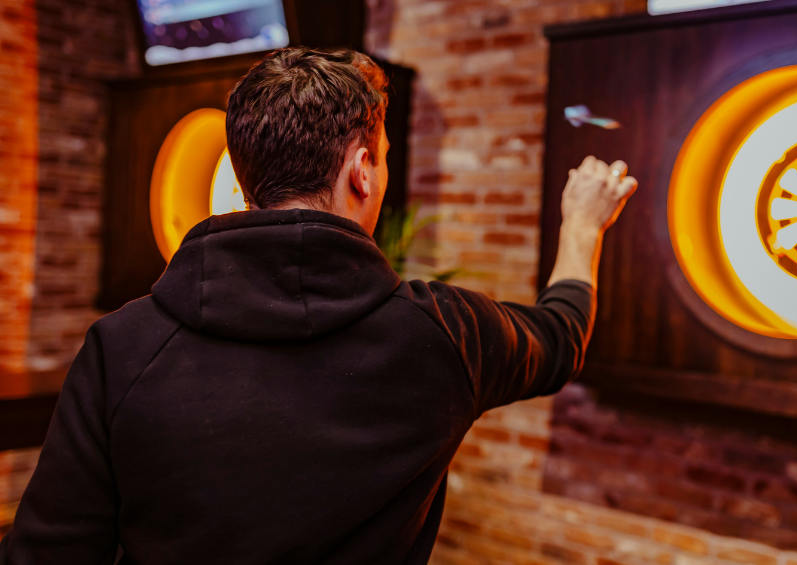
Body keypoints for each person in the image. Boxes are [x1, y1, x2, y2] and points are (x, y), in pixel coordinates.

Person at [0, 48, 636, 564]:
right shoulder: (443, 336)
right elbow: (561, 335)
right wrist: (582, 227)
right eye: (381, 160)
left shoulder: (122, 346)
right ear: (362, 169)